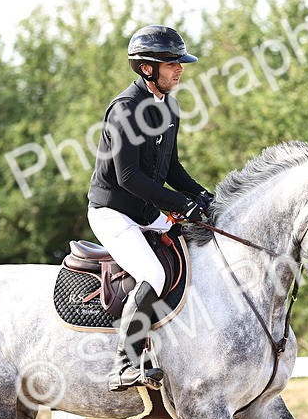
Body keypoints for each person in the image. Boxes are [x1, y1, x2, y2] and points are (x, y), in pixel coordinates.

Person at [87, 24, 214, 392]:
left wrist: (201, 197)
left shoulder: (168, 106)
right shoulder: (124, 109)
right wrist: (178, 204)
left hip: (145, 211)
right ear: (147, 68)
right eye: (172, 63)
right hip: (114, 212)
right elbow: (128, 176)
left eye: (180, 62)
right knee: (154, 275)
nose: (180, 69)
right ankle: (125, 364)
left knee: (197, 252)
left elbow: (171, 167)